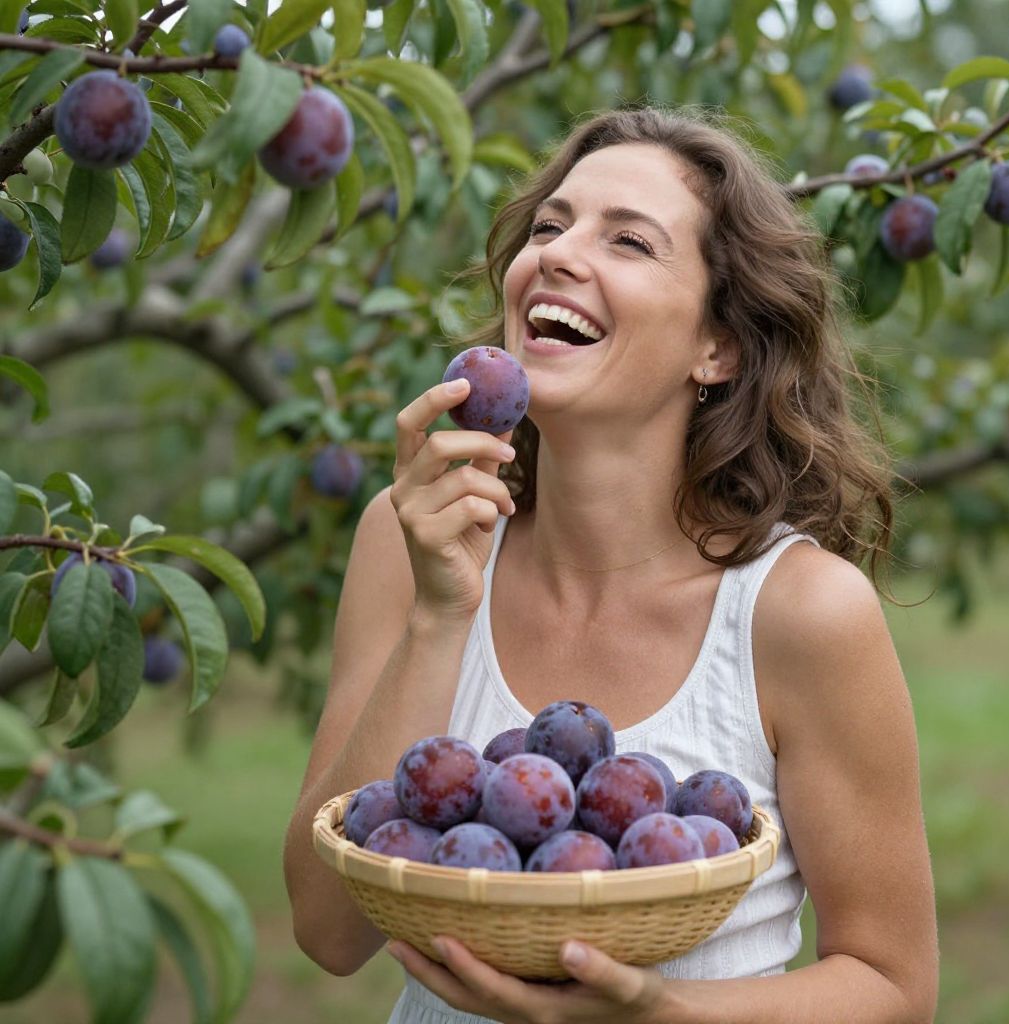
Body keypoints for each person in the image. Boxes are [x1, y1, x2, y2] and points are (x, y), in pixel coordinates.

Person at [283, 106, 939, 1023]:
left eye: (629, 241)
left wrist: (659, 1015)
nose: (555, 252)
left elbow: (893, 985)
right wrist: (440, 614)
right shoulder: (407, 542)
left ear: (720, 347)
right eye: (549, 227)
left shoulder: (799, 612)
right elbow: (328, 929)